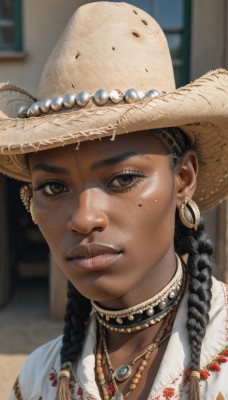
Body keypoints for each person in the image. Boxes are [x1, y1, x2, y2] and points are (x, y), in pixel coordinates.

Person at [0, 2, 227, 400]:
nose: (84, 218)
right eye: (53, 188)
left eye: (122, 179)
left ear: (183, 179)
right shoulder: (40, 377)